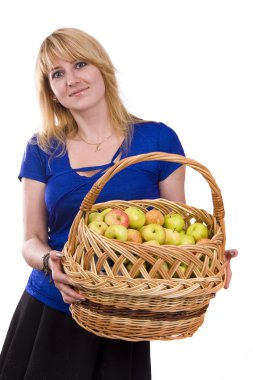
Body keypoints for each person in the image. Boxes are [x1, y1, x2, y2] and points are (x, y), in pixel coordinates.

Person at [0, 27, 237, 380]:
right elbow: (31, 239)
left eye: (80, 64)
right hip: (50, 310)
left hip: (124, 314)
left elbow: (182, 230)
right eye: (57, 74)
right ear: (51, 92)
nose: (71, 80)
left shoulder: (157, 138)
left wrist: (205, 261)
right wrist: (51, 261)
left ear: (102, 69)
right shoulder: (42, 149)